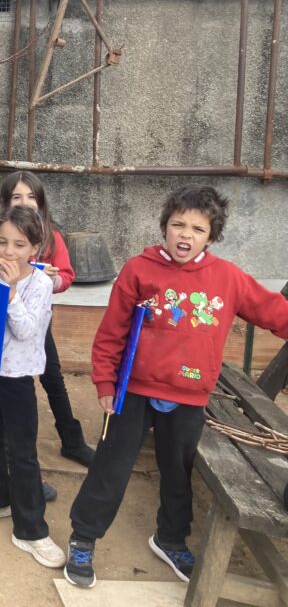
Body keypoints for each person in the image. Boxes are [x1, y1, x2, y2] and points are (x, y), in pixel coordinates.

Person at [64, 185, 288, 589]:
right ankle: (84, 537)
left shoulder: (228, 278)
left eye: (198, 229)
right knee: (111, 466)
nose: (186, 235)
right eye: (178, 224)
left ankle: (169, 538)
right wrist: (104, 381)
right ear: (165, 226)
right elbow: (111, 332)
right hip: (132, 391)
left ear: (211, 236)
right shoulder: (139, 270)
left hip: (188, 397)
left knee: (177, 472)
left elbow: (274, 311)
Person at [0, 205, 65, 569]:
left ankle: (31, 529)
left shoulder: (41, 284)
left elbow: (26, 330)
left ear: (34, 247)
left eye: (19, 245)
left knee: (22, 452)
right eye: (2, 242)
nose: (9, 251)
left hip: (17, 378)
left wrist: (12, 292)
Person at [1, 170, 95, 467]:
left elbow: (67, 276)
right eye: (17, 197)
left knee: (52, 376)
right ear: (6, 203)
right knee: (9, 383)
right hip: (2, 318)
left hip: (37, 321)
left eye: (31, 197)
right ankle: (10, 449)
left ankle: (72, 441)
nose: (24, 202)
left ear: (40, 202)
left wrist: (50, 279)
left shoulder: (51, 237)